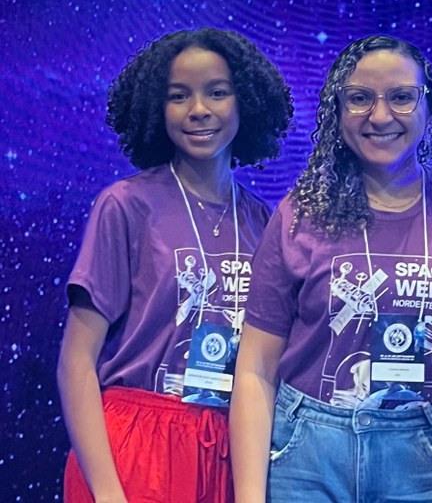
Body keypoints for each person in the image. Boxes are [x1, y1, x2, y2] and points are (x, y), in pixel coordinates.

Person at [230, 34, 432, 502]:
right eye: (360, 98)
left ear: (428, 107)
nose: (381, 116)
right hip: (308, 459)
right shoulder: (299, 213)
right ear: (337, 111)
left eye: (402, 97)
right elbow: (255, 370)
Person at [57, 28, 293, 503]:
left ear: (246, 102)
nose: (198, 109)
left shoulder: (264, 222)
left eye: (217, 92)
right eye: (178, 96)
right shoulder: (126, 205)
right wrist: (108, 492)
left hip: (231, 447)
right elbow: (76, 360)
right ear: (155, 108)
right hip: (135, 447)